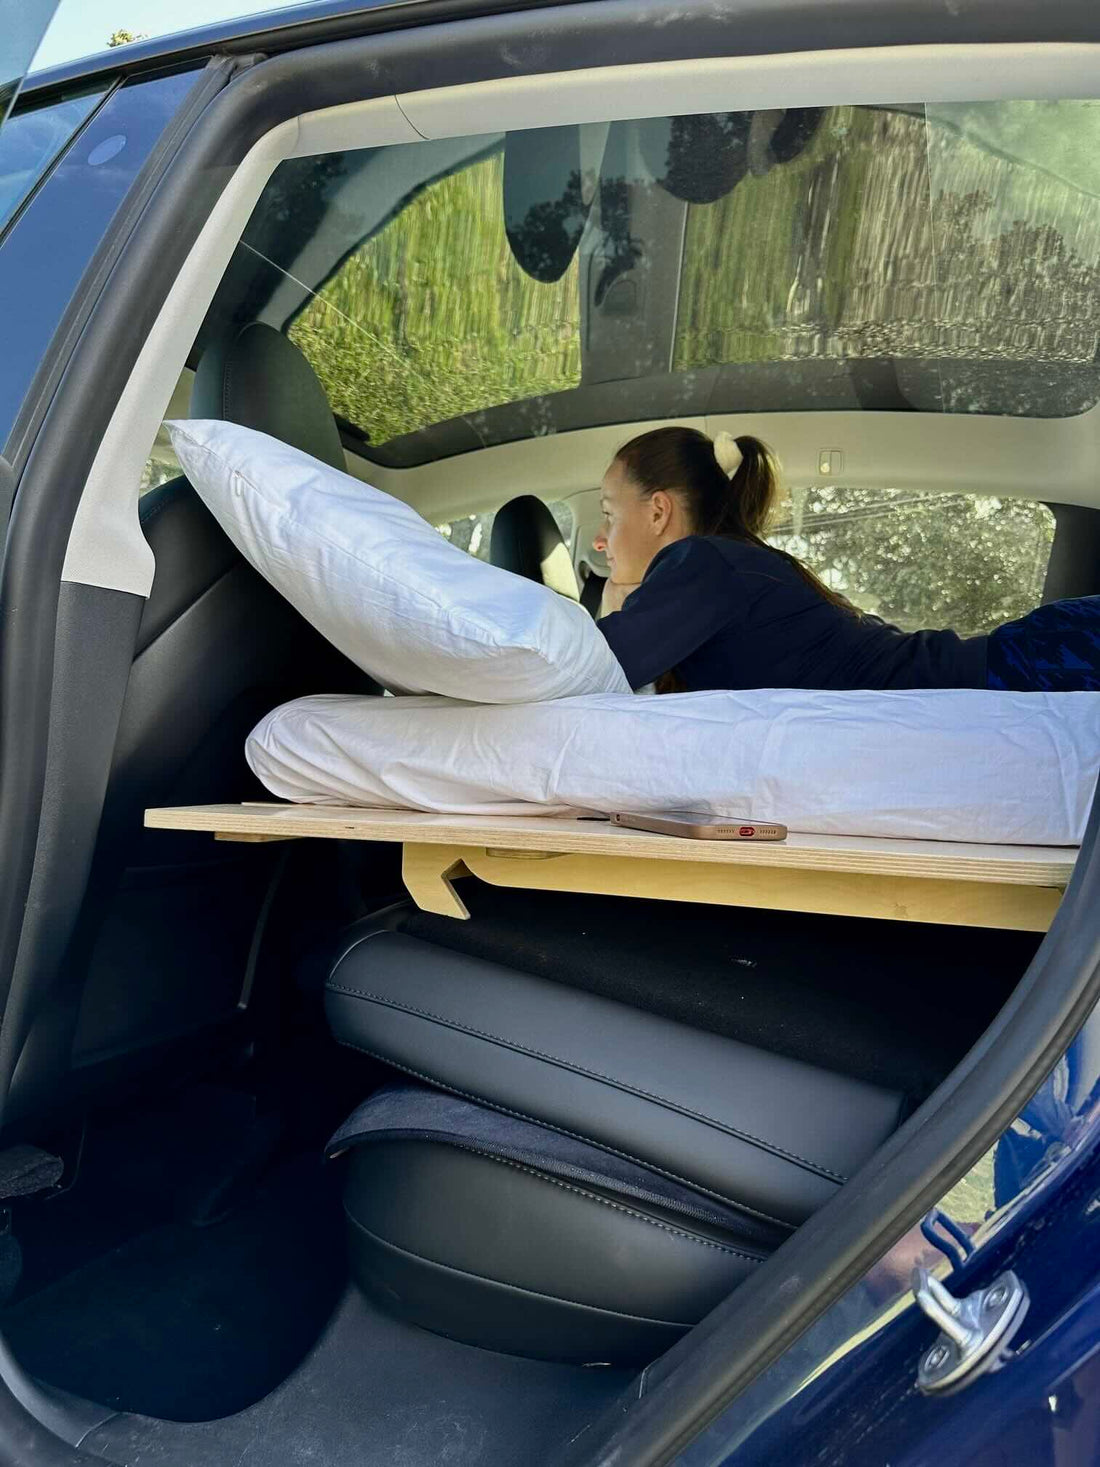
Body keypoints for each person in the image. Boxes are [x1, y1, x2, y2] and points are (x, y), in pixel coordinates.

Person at [594, 425, 1100, 694]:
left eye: (609, 514)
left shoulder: (701, 562)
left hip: (1031, 665)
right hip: (1033, 659)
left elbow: (592, 669)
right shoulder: (731, 565)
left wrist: (615, 602)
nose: (600, 541)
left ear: (658, 511)